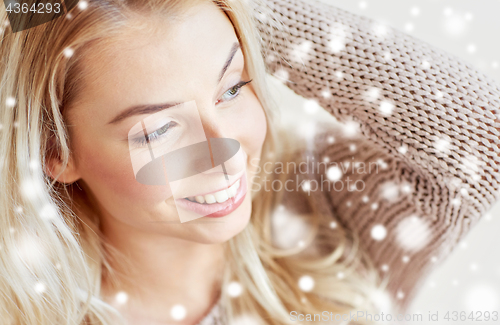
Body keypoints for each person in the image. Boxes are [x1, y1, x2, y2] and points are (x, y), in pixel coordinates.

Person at [1, 0, 499, 324]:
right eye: (157, 130)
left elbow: (483, 135)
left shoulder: (327, 206)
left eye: (233, 87)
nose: (225, 148)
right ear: (55, 151)